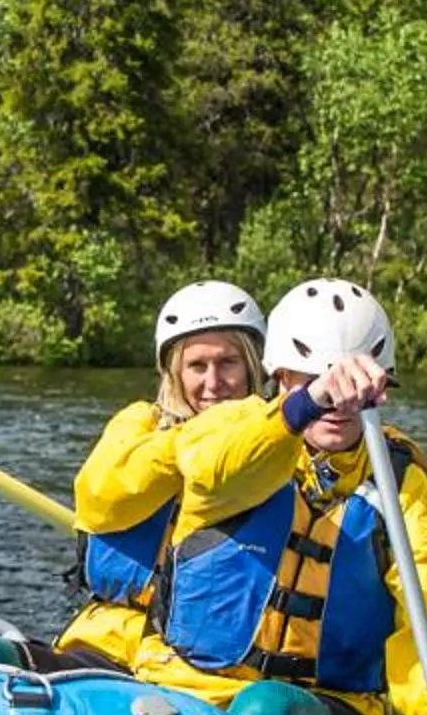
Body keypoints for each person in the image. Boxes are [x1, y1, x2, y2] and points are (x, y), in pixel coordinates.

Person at [127, 278, 427, 715]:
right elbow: (213, 468)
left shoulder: (397, 485)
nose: (338, 406)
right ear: (280, 377)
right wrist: (304, 406)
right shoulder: (233, 432)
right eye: (317, 383)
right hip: (184, 690)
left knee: (265, 708)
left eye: (355, 390)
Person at [43, 281, 268, 674]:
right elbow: (98, 499)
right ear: (174, 372)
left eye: (227, 362)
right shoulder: (139, 424)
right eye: (197, 366)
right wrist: (194, 444)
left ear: (251, 365)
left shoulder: (276, 450)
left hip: (207, 666)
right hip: (110, 642)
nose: (213, 382)